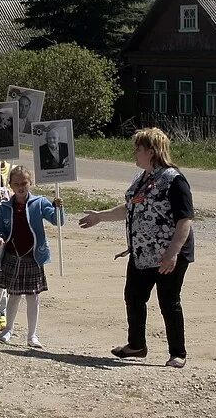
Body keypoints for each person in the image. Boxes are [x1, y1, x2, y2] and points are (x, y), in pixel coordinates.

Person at [78, 127, 195, 369]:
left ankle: (177, 353)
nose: (134, 152)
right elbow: (129, 208)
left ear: (151, 151)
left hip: (168, 254)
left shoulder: (174, 180)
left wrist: (172, 253)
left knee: (168, 301)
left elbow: (185, 220)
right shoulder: (142, 178)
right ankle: (137, 345)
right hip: (142, 253)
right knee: (133, 296)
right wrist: (99, 216)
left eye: (138, 149)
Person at [0, 165, 63, 349]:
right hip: (13, 255)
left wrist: (58, 208)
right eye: (16, 184)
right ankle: (8, 330)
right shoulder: (4, 207)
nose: (21, 187)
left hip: (34, 256)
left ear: (30, 183)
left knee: (34, 298)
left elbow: (58, 221)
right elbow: (0, 229)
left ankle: (32, 335)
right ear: (10, 185)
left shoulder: (39, 202)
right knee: (13, 296)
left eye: (24, 183)